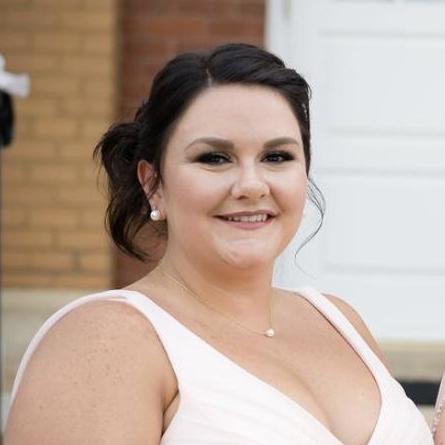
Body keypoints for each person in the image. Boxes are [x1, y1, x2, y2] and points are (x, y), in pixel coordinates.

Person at [4, 43, 443, 445]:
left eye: (277, 157)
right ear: (153, 183)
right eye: (214, 158)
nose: (252, 185)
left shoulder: (340, 321)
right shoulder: (106, 339)